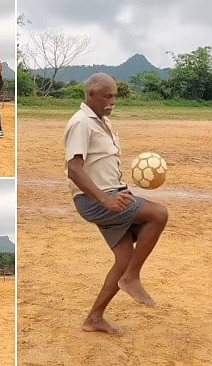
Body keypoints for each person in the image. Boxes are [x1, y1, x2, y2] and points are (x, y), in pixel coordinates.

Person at [64, 72, 168, 335]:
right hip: (95, 200)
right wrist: (106, 199)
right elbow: (74, 169)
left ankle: (94, 318)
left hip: (111, 195)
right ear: (91, 95)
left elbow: (101, 164)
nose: (112, 101)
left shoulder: (103, 122)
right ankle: (131, 277)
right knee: (158, 214)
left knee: (124, 257)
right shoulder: (81, 123)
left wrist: (120, 189)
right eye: (107, 96)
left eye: (115, 96)